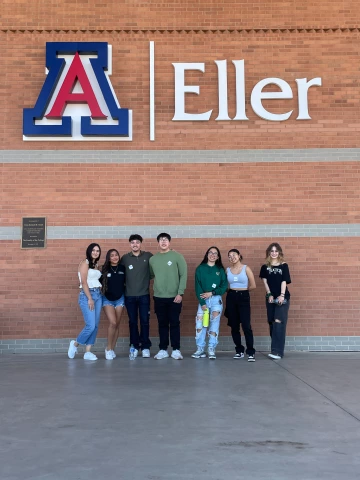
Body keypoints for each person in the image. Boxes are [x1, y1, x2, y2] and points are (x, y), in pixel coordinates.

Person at [149, 233, 187, 360]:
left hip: (174, 297)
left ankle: (176, 349)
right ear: (158, 243)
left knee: (175, 323)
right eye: (160, 240)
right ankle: (163, 349)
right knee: (162, 323)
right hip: (159, 297)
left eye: (165, 240)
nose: (163, 242)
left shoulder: (177, 256)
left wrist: (180, 293)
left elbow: (183, 275)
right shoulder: (153, 259)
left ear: (169, 242)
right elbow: (150, 275)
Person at [68, 243, 102, 361]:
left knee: (96, 326)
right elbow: (83, 282)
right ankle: (75, 344)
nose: (95, 252)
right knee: (90, 325)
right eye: (93, 250)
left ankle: (88, 352)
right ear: (89, 251)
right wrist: (90, 298)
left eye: (98, 251)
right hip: (88, 295)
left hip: (98, 295)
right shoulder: (85, 263)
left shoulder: (96, 264)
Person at [120, 234, 153, 358]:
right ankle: (134, 345)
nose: (135, 244)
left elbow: (155, 270)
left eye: (137, 242)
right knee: (132, 322)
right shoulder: (125, 258)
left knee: (145, 321)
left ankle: (145, 347)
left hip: (144, 295)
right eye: (132, 242)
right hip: (129, 296)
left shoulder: (148, 256)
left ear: (141, 244)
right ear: (130, 244)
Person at [192, 246, 228, 360]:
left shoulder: (220, 270)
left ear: (218, 257)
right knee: (200, 324)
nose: (212, 255)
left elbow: (224, 286)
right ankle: (200, 349)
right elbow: (198, 287)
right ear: (207, 254)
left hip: (216, 300)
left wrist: (212, 293)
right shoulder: (200, 268)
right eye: (210, 252)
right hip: (203, 300)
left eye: (215, 253)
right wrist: (202, 302)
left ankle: (211, 348)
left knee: (214, 324)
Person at [259, 242, 291, 360]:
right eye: (271, 251)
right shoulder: (264, 267)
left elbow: (284, 281)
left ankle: (278, 352)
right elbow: (265, 282)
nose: (274, 253)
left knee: (279, 322)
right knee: (272, 322)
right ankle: (275, 349)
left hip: (282, 297)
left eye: (276, 251)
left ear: (279, 253)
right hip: (271, 298)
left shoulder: (284, 265)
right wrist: (269, 294)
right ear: (268, 253)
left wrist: (282, 295)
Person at [226, 248, 256, 362]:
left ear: (239, 256)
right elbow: (226, 285)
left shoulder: (246, 268)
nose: (232, 257)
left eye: (234, 255)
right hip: (231, 297)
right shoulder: (227, 270)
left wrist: (243, 291)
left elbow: (253, 285)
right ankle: (239, 350)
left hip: (244, 296)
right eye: (229, 256)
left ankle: (250, 352)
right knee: (234, 326)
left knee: (246, 325)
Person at [101, 249, 126, 360]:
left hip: (120, 299)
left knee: (117, 325)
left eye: (116, 255)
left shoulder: (123, 268)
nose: (115, 257)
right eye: (112, 255)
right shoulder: (104, 269)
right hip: (107, 300)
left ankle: (112, 349)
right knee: (113, 322)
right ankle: (108, 349)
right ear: (109, 258)